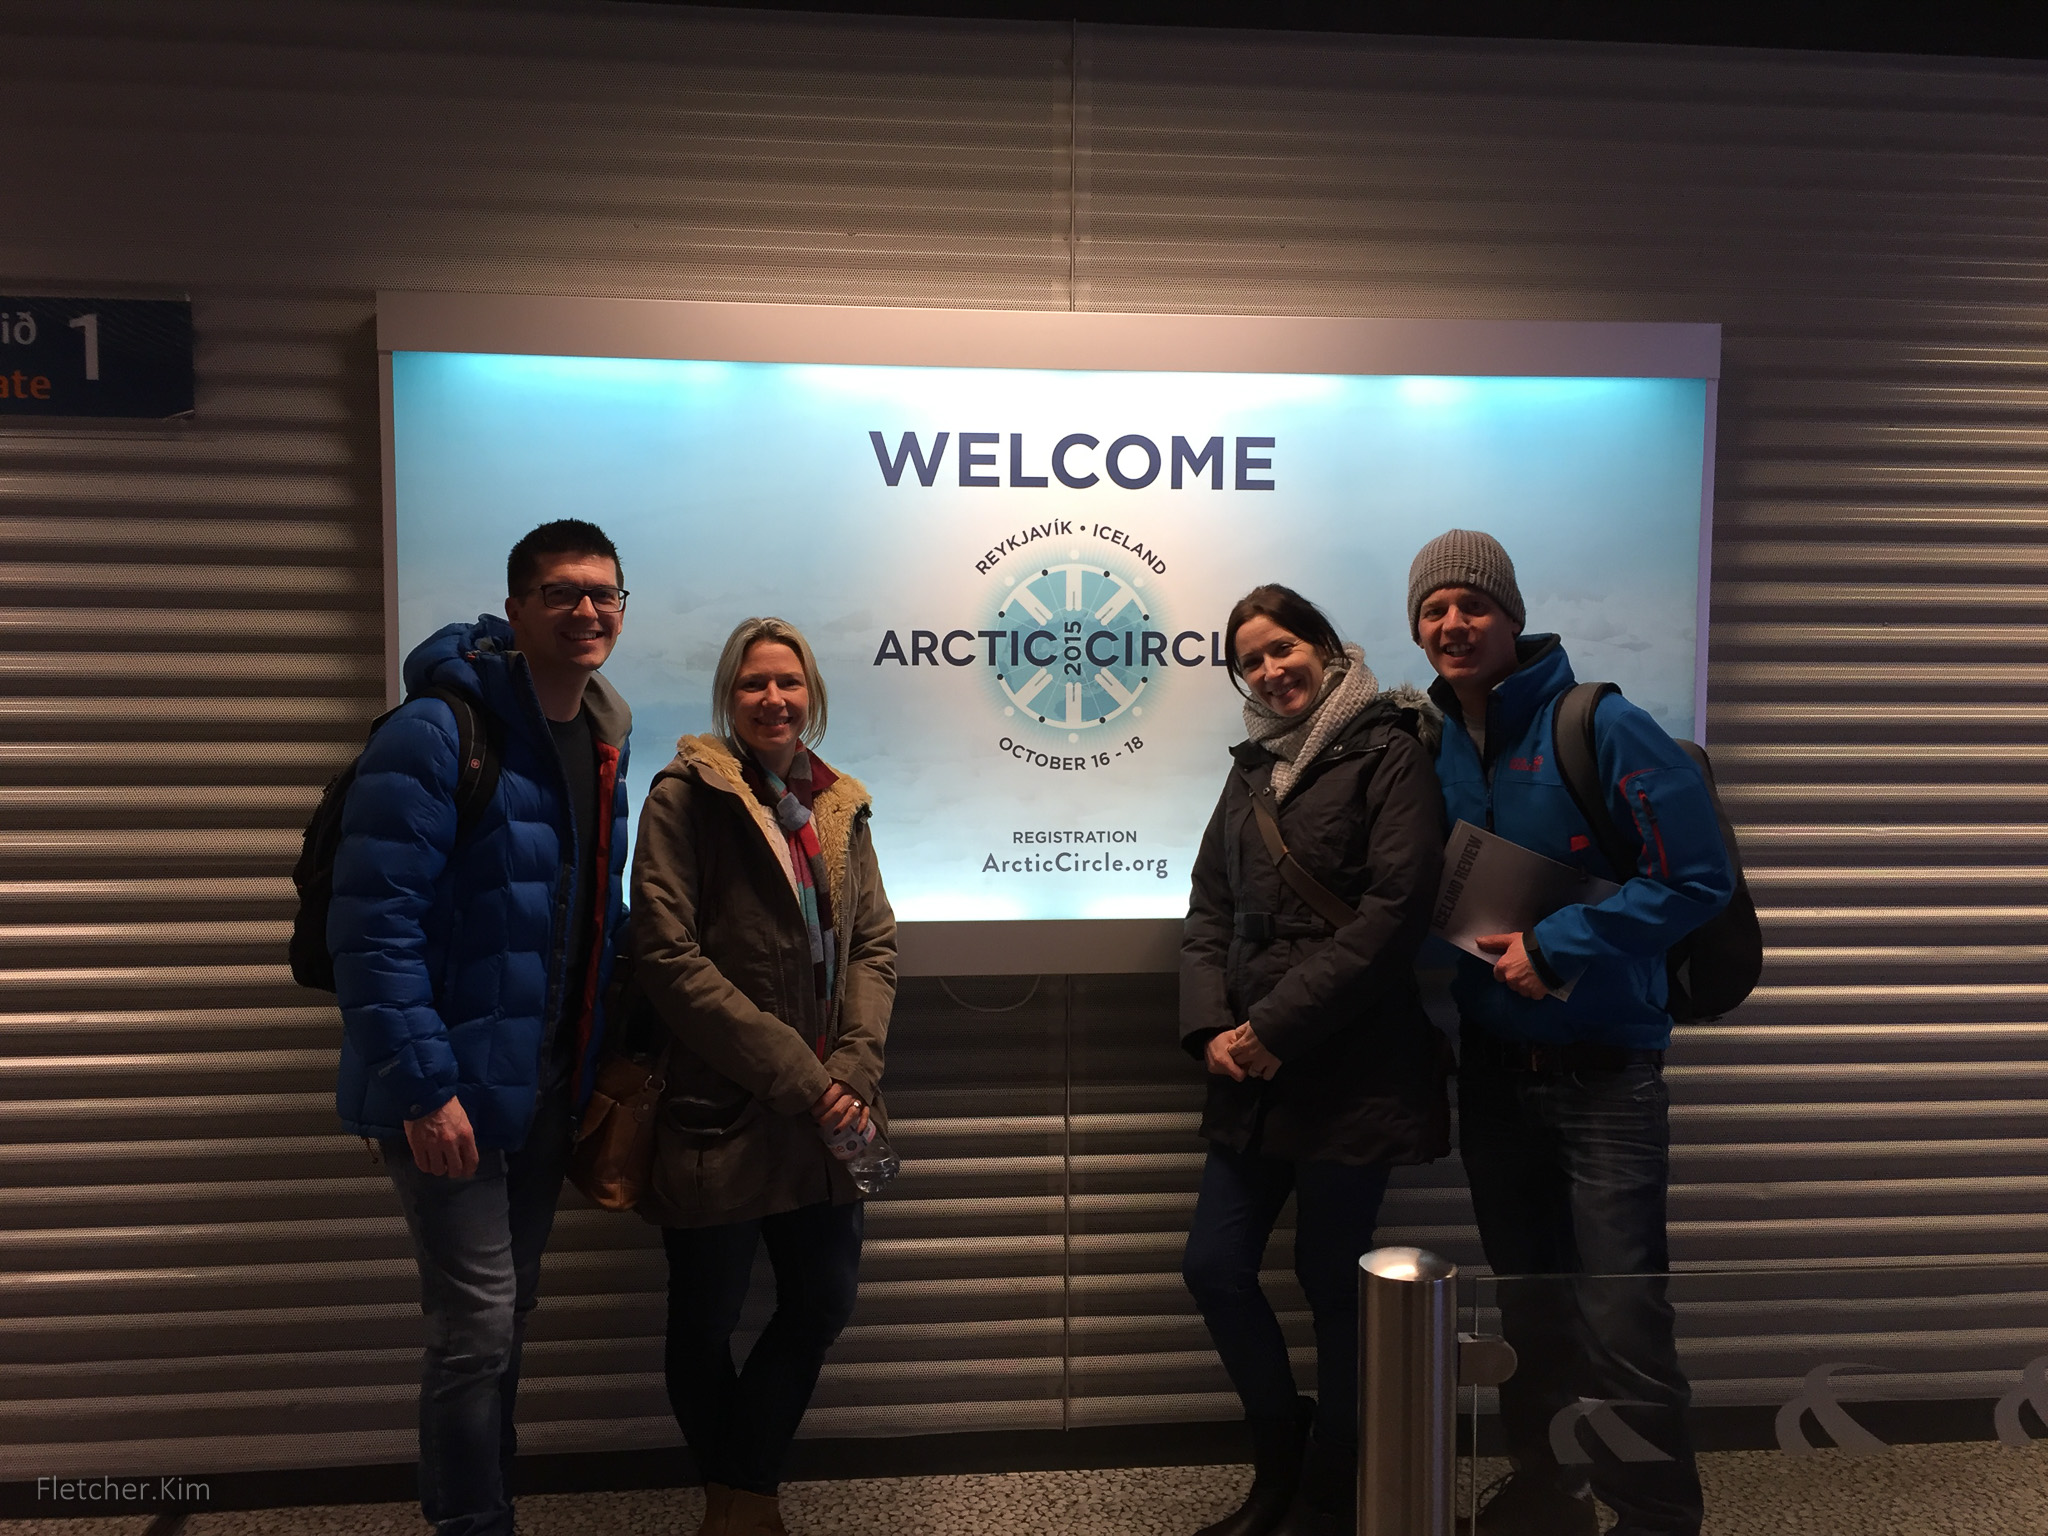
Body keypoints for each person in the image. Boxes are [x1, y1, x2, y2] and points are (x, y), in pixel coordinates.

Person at [1406, 530, 1733, 1536]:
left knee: (1624, 1319)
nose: (1452, 624)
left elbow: (1697, 878)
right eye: (1432, 610)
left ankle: (1655, 1517)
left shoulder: (1600, 723)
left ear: (1511, 615)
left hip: (1606, 1080)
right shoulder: (1429, 742)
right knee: (1528, 1310)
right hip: (1494, 1076)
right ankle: (1548, 1492)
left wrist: (1557, 946)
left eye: (1472, 605)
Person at [330, 519, 633, 1536]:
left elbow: (589, 918)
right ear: (515, 609)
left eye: (602, 593)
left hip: (541, 1089)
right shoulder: (435, 733)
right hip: (449, 1090)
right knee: (475, 1329)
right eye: (560, 592)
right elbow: (372, 928)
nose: (584, 609)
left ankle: (488, 1506)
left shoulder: (601, 738)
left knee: (506, 1321)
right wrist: (424, 1089)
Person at [1179, 584, 1451, 1536]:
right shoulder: (1251, 768)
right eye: (1250, 660)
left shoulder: (1391, 750)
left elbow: (1394, 916)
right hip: (1251, 1072)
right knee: (1213, 1268)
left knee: (1336, 1285)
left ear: (1326, 649)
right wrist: (1212, 1029)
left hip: (1353, 1064)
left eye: (1283, 648)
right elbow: (1209, 910)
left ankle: (1330, 1493)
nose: (1270, 671)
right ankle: (1281, 1463)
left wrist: (1274, 1029)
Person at [632, 616, 897, 1536]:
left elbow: (874, 944)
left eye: (789, 682)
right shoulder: (685, 795)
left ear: (811, 695)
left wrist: (852, 1068)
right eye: (754, 684)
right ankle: (745, 1506)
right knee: (705, 1322)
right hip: (725, 1105)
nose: (773, 699)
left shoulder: (840, 803)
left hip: (832, 1113)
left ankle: (738, 1497)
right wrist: (803, 1078)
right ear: (728, 697)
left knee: (821, 1303)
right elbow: (667, 958)